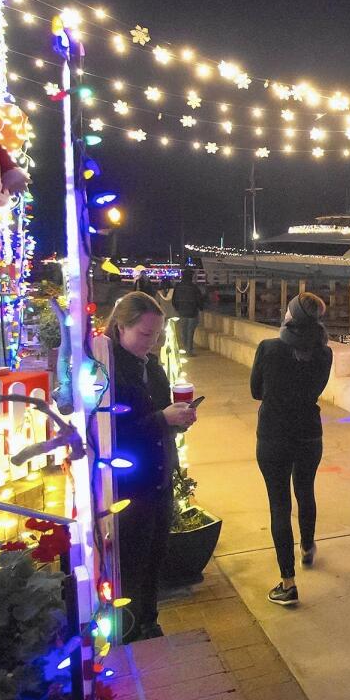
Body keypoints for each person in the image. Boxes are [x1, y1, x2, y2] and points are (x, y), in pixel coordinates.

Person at [108, 292, 198, 643]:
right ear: (121, 327)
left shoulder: (151, 366)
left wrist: (178, 420)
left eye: (157, 335)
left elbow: (160, 415)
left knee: (155, 556)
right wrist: (162, 419)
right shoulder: (111, 370)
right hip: (132, 484)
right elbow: (114, 434)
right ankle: (130, 630)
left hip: (158, 479)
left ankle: (149, 620)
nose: (152, 342)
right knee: (132, 561)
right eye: (145, 335)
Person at [250, 293, 333, 606]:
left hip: (273, 434)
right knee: (305, 490)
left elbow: (256, 391)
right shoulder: (324, 353)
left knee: (279, 505)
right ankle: (307, 548)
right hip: (309, 433)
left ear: (292, 316)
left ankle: (288, 583)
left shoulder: (269, 348)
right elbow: (316, 388)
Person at [170, 268, 205, 356]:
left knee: (183, 331)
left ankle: (185, 348)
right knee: (190, 332)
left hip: (181, 312)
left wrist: (177, 308)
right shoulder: (194, 287)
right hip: (192, 312)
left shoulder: (178, 287)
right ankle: (189, 350)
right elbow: (199, 300)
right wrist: (201, 308)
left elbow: (174, 300)